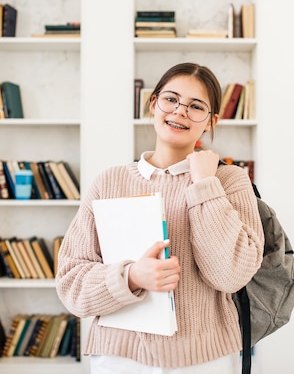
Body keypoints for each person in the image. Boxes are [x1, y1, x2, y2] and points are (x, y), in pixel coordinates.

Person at [56, 62, 264, 373]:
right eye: (171, 99)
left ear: (211, 121)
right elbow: (71, 284)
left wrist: (205, 185)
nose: (180, 111)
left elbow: (230, 276)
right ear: (153, 104)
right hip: (120, 358)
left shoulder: (230, 181)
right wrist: (131, 277)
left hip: (205, 360)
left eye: (196, 106)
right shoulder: (109, 182)